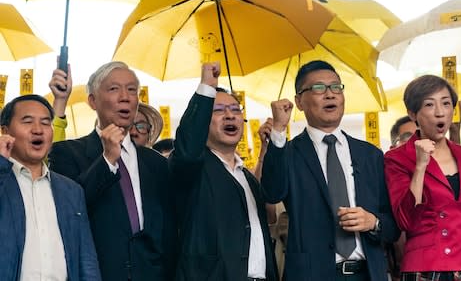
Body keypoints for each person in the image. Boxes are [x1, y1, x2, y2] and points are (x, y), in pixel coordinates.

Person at [261, 60, 399, 280]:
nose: (330, 94)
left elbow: (392, 225)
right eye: (318, 88)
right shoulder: (288, 153)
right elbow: (272, 192)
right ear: (299, 101)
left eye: (336, 87)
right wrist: (278, 131)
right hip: (312, 274)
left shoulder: (370, 155)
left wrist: (373, 222)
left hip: (367, 273)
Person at [48, 61, 177, 281]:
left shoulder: (156, 163)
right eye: (114, 89)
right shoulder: (67, 153)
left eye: (132, 90)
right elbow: (71, 211)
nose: (125, 97)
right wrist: (107, 159)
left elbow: (168, 229)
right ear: (93, 101)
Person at [170, 62, 278, 281]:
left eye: (235, 110)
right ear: (203, 123)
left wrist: (268, 148)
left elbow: (270, 212)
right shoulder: (194, 168)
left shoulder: (246, 176)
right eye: (218, 110)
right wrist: (207, 87)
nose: (229, 116)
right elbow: (188, 149)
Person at [384, 75, 461, 280]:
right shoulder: (397, 159)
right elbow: (405, 220)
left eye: (446, 103)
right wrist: (420, 166)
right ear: (413, 114)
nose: (440, 112)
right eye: (429, 104)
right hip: (426, 269)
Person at [0, 94, 101, 281]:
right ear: (6, 131)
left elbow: (86, 258)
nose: (38, 130)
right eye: (27, 121)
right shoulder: (3, 180)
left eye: (46, 123)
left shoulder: (71, 191)